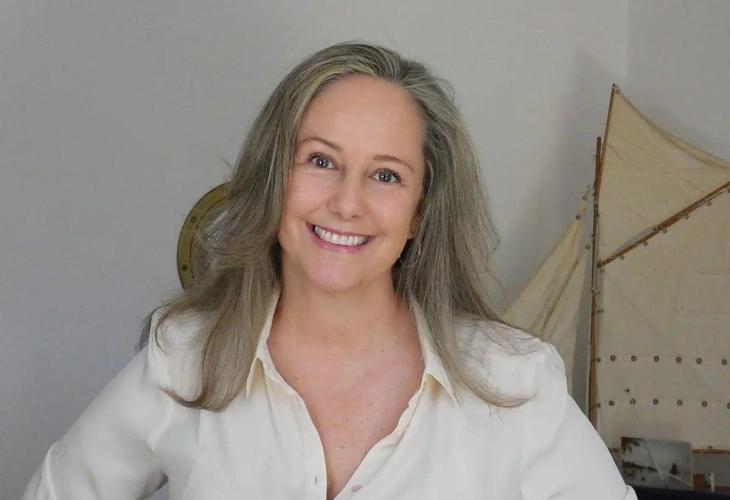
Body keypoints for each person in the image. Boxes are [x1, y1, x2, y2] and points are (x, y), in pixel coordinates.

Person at [22, 42, 637, 500]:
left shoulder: (514, 381)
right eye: (320, 161)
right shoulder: (183, 357)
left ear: (421, 212)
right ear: (273, 178)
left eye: (386, 175)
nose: (347, 202)